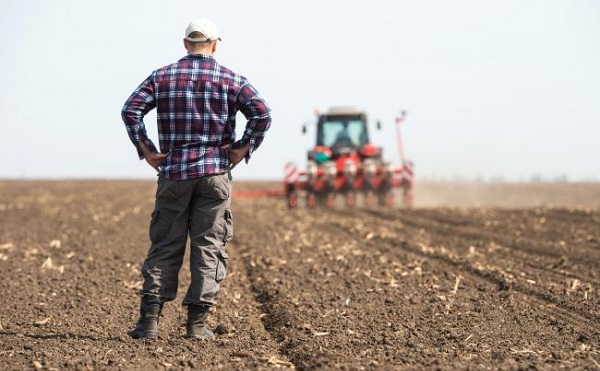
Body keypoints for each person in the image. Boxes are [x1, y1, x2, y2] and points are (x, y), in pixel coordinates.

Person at [121, 18, 271, 340]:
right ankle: (197, 326)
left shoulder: (161, 77)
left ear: (185, 43)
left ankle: (149, 323)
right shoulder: (232, 79)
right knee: (209, 247)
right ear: (215, 44)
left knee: (165, 245)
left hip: (174, 173)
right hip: (214, 174)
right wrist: (243, 148)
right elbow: (262, 113)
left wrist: (147, 150)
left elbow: (130, 109)